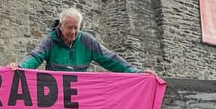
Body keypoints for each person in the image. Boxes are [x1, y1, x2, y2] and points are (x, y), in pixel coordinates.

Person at [10, 7, 155, 74]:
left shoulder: (87, 41)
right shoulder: (49, 41)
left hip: (78, 97)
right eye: (69, 28)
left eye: (76, 28)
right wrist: (19, 68)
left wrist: (137, 72)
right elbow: (35, 57)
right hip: (55, 96)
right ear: (60, 26)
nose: (73, 32)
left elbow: (110, 59)